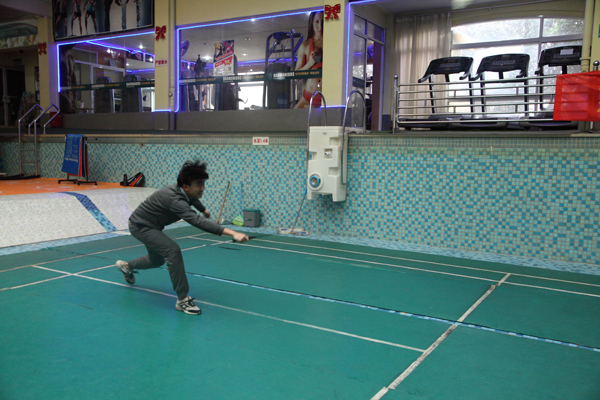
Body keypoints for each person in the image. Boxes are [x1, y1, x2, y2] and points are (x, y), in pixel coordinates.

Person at [115, 161, 249, 315]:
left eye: (203, 183)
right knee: (172, 250)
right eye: (199, 184)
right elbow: (198, 222)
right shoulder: (175, 200)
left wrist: (203, 209)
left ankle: (126, 266)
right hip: (141, 226)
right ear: (186, 186)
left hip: (152, 226)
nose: (203, 188)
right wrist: (233, 233)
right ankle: (182, 299)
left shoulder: (183, 191)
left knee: (156, 260)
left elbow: (194, 199)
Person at [294, 11, 324, 109]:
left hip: (328, 97)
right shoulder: (305, 45)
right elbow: (296, 76)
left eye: (323, 22)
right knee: (290, 117)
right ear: (312, 23)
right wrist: (310, 64)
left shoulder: (334, 43)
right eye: (317, 22)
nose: (320, 26)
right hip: (308, 96)